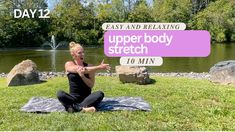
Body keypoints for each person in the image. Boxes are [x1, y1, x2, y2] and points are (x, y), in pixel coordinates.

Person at [57, 41, 110, 113]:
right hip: (73, 98)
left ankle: (74, 108)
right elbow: (80, 69)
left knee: (100, 94)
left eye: (83, 52)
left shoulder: (90, 66)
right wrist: (99, 67)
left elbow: (91, 85)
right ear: (73, 54)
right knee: (60, 94)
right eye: (79, 53)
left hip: (87, 98)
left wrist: (83, 76)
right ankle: (83, 109)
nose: (82, 54)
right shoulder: (69, 64)